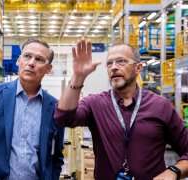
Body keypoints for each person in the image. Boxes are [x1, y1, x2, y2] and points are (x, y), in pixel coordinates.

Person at [54, 37, 188, 179]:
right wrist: (78, 76)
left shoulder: (160, 106)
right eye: (109, 63)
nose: (114, 67)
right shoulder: (95, 104)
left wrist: (173, 171)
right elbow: (63, 118)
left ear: (138, 68)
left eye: (121, 61)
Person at [0, 38, 65, 180]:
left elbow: (56, 156)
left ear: (48, 69)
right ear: (18, 61)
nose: (31, 63)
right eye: (27, 56)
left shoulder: (54, 108)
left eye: (39, 59)